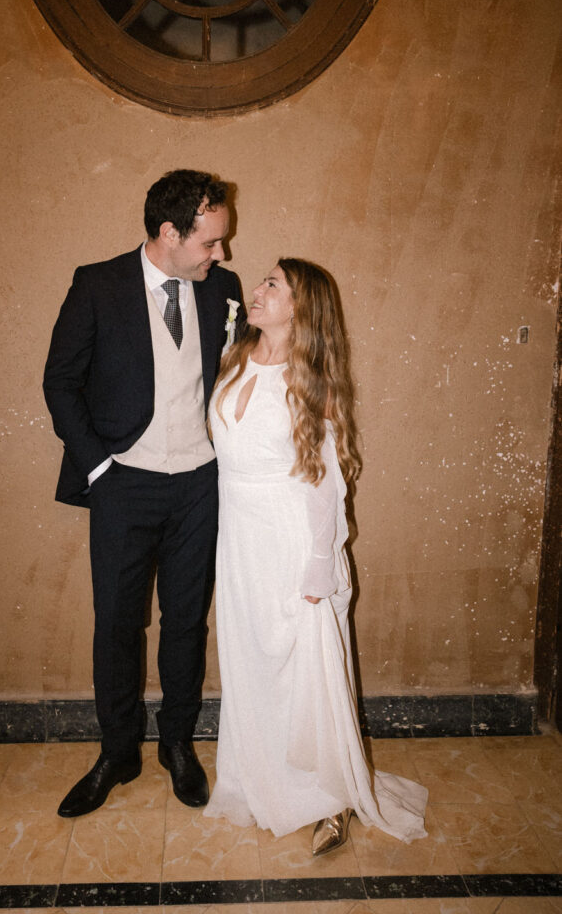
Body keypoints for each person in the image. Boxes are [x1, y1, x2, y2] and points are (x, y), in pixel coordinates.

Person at [204, 258, 427, 853]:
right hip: (240, 540)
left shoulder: (312, 379)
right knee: (252, 661)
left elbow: (325, 481)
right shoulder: (234, 356)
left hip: (291, 539)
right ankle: (259, 778)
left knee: (308, 671)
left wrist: (320, 564)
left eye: (273, 284)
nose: (257, 290)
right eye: (263, 281)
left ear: (301, 307)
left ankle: (331, 797)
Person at [43, 170, 244, 818]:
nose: (221, 254)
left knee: (186, 621)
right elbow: (59, 382)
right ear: (169, 232)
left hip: (200, 485)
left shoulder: (224, 290)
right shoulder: (97, 285)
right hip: (123, 483)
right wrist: (100, 469)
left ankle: (177, 743)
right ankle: (117, 751)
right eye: (210, 241)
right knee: (116, 625)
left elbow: (241, 380)